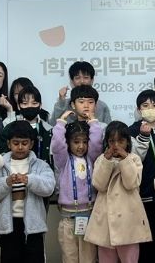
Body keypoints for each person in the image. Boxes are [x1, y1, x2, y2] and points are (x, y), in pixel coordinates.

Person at [0, 121, 56, 263]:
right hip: (9, 225)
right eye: (16, 143)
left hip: (34, 226)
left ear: (31, 144)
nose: (20, 147)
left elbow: (49, 188)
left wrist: (28, 180)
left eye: (24, 143)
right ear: (8, 144)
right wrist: (6, 182)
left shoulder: (41, 165)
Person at [84, 121, 152, 263]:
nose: (116, 145)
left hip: (128, 221)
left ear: (127, 142)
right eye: (112, 141)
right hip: (105, 221)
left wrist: (125, 160)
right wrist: (106, 161)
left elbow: (131, 183)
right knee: (106, 259)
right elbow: (99, 185)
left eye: (120, 141)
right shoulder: (101, 160)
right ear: (107, 142)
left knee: (130, 259)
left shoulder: (134, 159)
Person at [50, 111, 103, 263]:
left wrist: (93, 122)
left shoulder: (91, 158)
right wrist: (61, 122)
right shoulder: (63, 160)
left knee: (89, 257)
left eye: (85, 142)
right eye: (76, 142)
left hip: (89, 217)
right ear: (68, 143)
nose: (81, 146)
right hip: (68, 218)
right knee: (70, 257)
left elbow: (97, 143)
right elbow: (57, 145)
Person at [128, 89, 155, 262]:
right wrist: (143, 137)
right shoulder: (131, 131)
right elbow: (132, 161)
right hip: (145, 193)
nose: (150, 109)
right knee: (148, 240)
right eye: (145, 106)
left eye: (154, 105)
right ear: (139, 110)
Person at [0, 85, 53, 167]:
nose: (30, 106)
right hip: (14, 171)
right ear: (18, 106)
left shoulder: (48, 130)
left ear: (40, 105)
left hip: (41, 172)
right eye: (25, 103)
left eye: (34, 103)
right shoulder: (10, 128)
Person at [50, 61, 112, 125]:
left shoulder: (102, 106)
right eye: (77, 78)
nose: (82, 81)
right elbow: (53, 126)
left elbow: (109, 129)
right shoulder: (62, 104)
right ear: (72, 81)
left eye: (86, 78)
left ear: (92, 80)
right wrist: (61, 103)